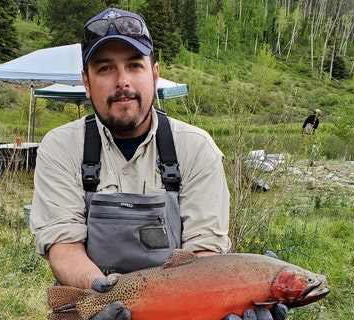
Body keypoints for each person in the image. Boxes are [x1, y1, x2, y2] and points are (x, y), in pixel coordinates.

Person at [29, 7, 287, 320]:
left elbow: (204, 254)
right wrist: (103, 294)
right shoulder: (61, 147)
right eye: (105, 68)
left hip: (179, 308)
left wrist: (243, 288)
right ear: (86, 81)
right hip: (91, 304)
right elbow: (64, 246)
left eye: (134, 65)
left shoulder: (196, 148)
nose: (122, 81)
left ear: (154, 73)